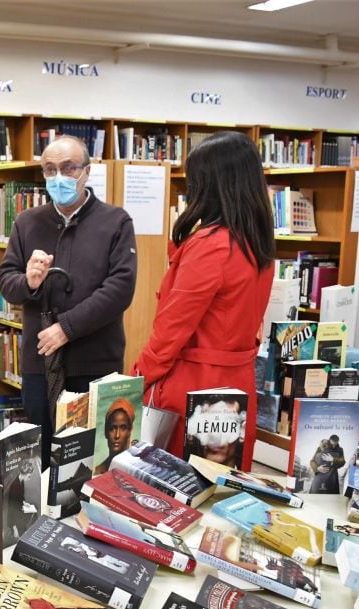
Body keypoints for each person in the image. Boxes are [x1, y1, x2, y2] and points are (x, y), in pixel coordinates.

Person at [133, 131, 276, 473]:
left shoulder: (212, 244)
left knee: (178, 487)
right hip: (236, 385)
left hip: (196, 386)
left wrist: (137, 378)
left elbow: (172, 329)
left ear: (211, 184)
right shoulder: (258, 245)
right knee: (222, 481)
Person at [0, 136, 137, 470]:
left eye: (68, 167)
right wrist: (28, 282)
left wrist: (67, 328)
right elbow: (6, 282)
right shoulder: (27, 222)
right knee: (43, 458)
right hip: (39, 365)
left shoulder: (116, 222)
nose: (58, 176)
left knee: (87, 461)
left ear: (86, 172)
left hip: (95, 363)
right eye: (49, 169)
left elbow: (120, 289)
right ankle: (44, 521)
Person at [95, 398, 134, 473]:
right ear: (106, 432)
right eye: (112, 428)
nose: (117, 435)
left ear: (130, 431)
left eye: (123, 428)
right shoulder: (97, 471)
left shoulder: (134, 470)